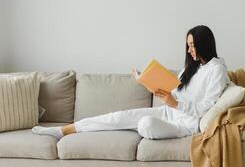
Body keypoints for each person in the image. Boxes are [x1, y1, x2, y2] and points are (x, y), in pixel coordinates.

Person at [32, 25, 230, 140]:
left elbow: (206, 108)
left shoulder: (217, 70)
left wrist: (176, 103)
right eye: (188, 46)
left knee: (145, 123)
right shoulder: (192, 67)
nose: (189, 51)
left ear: (204, 44)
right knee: (117, 116)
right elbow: (174, 91)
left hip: (185, 126)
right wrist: (149, 83)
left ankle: (136, 126)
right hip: (168, 112)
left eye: (192, 46)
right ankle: (63, 130)